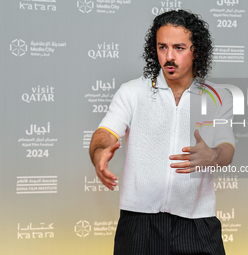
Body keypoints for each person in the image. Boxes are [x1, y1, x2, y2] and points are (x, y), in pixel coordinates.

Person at [89, 9, 235, 255]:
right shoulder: (132, 92)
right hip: (139, 223)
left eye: (179, 48)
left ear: (196, 51)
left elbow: (227, 147)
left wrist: (214, 156)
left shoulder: (217, 97)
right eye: (162, 47)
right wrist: (99, 153)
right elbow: (105, 132)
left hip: (197, 222)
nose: (169, 56)